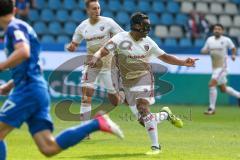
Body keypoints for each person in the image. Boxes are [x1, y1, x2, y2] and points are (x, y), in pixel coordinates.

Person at [0, 0, 123, 159]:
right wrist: (10, 85)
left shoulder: (14, 27)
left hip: (28, 90)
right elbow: (33, 65)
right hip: (36, 89)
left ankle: (98, 121)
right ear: (15, 9)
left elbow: (23, 52)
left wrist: (2, 66)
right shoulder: (23, 27)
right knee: (48, 147)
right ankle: (96, 123)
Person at [88, 12, 198, 155]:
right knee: (143, 120)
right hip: (127, 83)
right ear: (135, 25)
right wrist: (96, 56)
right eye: (145, 25)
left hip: (144, 78)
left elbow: (164, 56)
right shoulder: (120, 39)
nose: (148, 28)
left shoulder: (148, 42)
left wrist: (183, 62)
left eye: (148, 25)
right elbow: (104, 50)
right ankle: (165, 114)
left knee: (142, 108)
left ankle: (156, 147)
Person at [67, 0, 139, 131]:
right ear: (88, 10)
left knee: (114, 101)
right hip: (91, 64)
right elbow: (74, 43)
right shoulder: (82, 27)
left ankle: (120, 97)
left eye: (98, 8)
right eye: (94, 8)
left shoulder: (108, 22)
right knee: (86, 95)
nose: (97, 11)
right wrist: (71, 47)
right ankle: (84, 130)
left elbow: (123, 36)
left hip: (108, 65)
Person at [201, 24, 240, 115]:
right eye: (215, 29)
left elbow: (233, 48)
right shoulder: (209, 40)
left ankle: (211, 108)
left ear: (222, 31)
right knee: (223, 88)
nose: (217, 30)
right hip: (214, 68)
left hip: (222, 67)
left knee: (211, 84)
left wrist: (233, 55)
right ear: (213, 30)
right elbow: (203, 50)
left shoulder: (226, 40)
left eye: (219, 29)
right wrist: (205, 51)